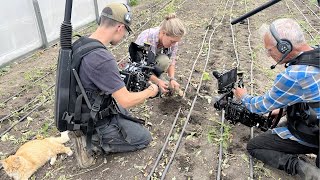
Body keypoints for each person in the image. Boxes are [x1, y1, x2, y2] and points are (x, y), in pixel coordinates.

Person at [70, 3, 159, 168]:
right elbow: (126, 100)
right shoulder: (101, 58)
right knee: (143, 137)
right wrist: (150, 91)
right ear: (119, 27)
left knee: (126, 116)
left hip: (80, 109)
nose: (124, 35)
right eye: (125, 31)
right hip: (92, 121)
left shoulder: (81, 43)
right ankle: (93, 142)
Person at [234, 18, 320, 179]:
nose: (268, 55)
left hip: (314, 133)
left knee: (255, 146)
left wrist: (243, 96)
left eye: (269, 50)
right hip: (315, 123)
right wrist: (284, 109)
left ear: (284, 46)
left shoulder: (295, 74)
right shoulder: (316, 56)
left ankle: (310, 173)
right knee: (280, 126)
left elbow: (259, 106)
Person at [135, 13, 186, 94]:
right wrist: (158, 81)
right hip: (138, 64)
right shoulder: (146, 38)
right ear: (163, 33)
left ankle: (153, 78)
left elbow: (172, 61)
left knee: (164, 61)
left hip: (152, 62)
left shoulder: (173, 41)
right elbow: (138, 65)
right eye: (172, 41)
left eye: (176, 42)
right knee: (141, 78)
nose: (173, 44)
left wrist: (172, 79)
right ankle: (148, 80)